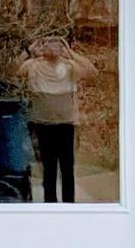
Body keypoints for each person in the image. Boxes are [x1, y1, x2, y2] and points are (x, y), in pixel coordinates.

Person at [13, 31, 96, 202]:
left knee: (67, 169)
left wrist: (69, 52)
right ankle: (50, 205)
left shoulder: (69, 67)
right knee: (48, 170)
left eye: (56, 43)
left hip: (66, 123)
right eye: (48, 43)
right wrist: (29, 50)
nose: (52, 46)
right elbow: (13, 71)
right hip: (43, 124)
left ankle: (68, 206)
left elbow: (91, 71)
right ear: (42, 46)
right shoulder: (33, 66)